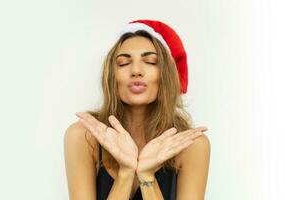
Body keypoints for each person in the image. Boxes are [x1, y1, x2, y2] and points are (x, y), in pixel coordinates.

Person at [64, 19, 211, 200]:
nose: (135, 70)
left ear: (166, 75)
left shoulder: (192, 145)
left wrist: (146, 176)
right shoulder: (83, 137)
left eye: (150, 61)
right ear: (112, 77)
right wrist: (126, 173)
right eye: (123, 63)